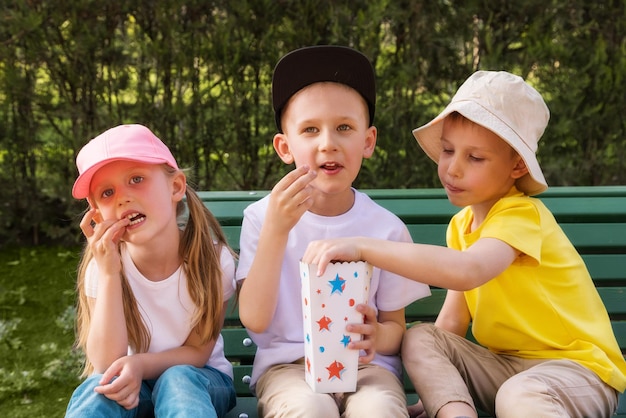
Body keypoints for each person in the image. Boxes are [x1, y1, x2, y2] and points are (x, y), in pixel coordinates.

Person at [302, 70, 626, 418]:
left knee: (520, 396)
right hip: (504, 369)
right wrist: (435, 399)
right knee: (422, 337)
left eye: (474, 158)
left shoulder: (522, 215)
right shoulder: (462, 226)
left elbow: (468, 271)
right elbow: (454, 320)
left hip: (575, 372)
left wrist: (363, 247)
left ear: (517, 165)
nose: (452, 169)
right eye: (448, 150)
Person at [235, 45, 431, 417]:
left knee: (378, 412)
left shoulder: (385, 228)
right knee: (311, 410)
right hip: (289, 370)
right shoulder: (262, 218)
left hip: (367, 370)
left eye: (344, 127)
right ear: (285, 147)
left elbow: (394, 329)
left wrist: (378, 336)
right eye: (310, 130)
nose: (328, 143)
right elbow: (256, 321)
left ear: (368, 141)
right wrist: (277, 231)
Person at [64, 124, 237, 418]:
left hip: (202, 380)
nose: (122, 197)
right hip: (131, 386)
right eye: (107, 192)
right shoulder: (104, 267)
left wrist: (141, 364)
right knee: (98, 392)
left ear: (176, 187)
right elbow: (106, 363)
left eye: (136, 179)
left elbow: (198, 352)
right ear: (96, 214)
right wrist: (109, 274)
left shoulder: (213, 260)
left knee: (177, 380)